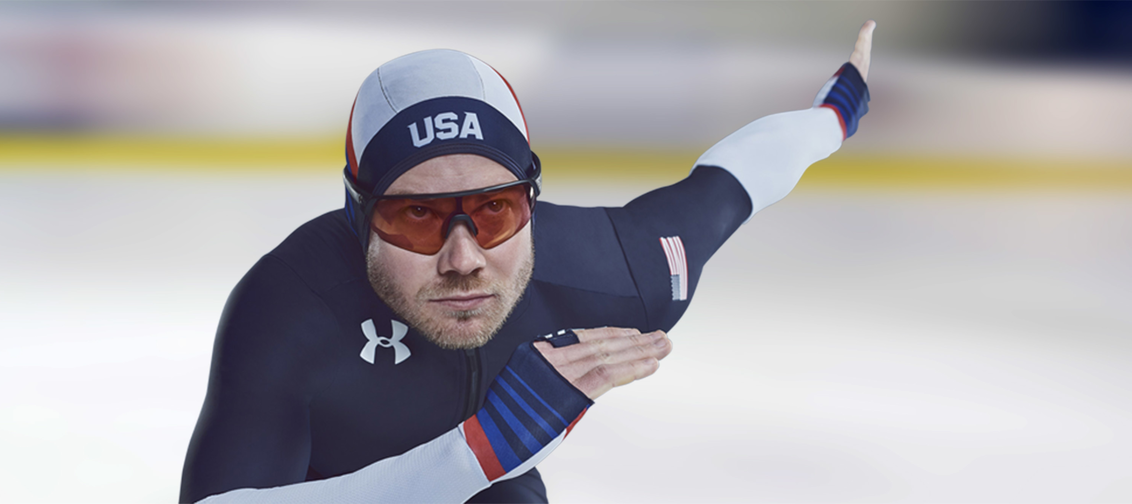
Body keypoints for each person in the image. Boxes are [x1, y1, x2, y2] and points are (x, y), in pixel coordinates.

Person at [180, 21, 876, 504]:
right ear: (359, 218)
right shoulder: (293, 304)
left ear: (531, 203)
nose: (464, 259)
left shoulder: (616, 272)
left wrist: (840, 109)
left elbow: (735, 181)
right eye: (416, 215)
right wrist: (485, 448)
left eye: (495, 210)